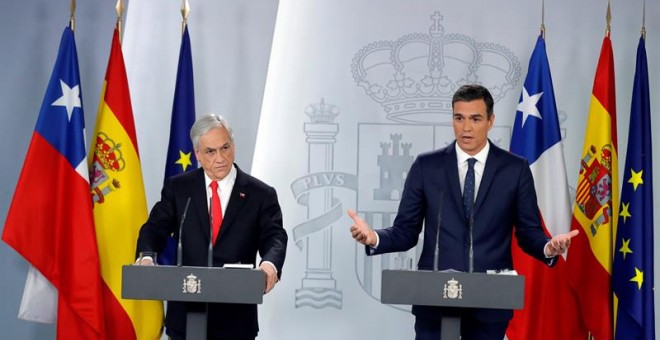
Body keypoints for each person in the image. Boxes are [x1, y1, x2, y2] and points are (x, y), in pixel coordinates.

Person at [348, 84, 577, 340]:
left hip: (490, 304)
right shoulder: (427, 166)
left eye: (475, 119)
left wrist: (548, 247)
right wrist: (374, 238)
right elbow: (406, 231)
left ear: (490, 121)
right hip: (433, 302)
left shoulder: (515, 169)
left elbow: (528, 232)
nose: (466, 128)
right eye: (459, 118)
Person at [136, 114, 288, 340]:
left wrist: (269, 266)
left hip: (235, 321)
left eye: (225, 147)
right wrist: (146, 256)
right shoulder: (180, 189)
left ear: (233, 146)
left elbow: (275, 237)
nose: (220, 158)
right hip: (185, 319)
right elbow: (154, 228)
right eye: (211, 151)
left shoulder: (261, 194)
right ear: (197, 153)